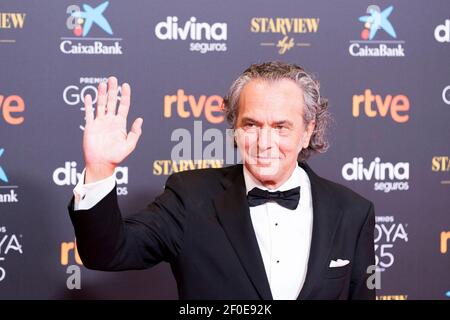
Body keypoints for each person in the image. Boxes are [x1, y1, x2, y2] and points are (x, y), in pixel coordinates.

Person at [68, 61, 376, 300]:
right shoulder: (190, 198)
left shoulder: (352, 212)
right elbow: (107, 252)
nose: (264, 142)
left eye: (281, 126)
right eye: (251, 124)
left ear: (308, 130)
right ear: (234, 127)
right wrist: (99, 169)